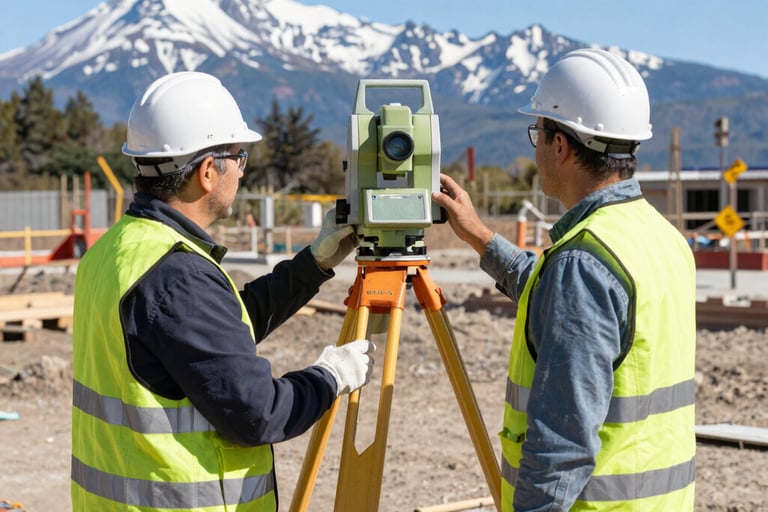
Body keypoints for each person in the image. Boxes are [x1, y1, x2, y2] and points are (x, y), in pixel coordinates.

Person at [70, 71, 375, 512]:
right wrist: (328, 377)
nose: (243, 170)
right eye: (240, 157)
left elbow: (211, 337)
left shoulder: (117, 249)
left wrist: (314, 264)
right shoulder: (177, 274)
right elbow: (259, 414)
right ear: (209, 171)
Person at [433, 49, 696, 511]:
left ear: (561, 146)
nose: (535, 148)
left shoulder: (584, 262)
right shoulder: (660, 237)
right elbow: (563, 299)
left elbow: (562, 443)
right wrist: (479, 235)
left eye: (539, 133)